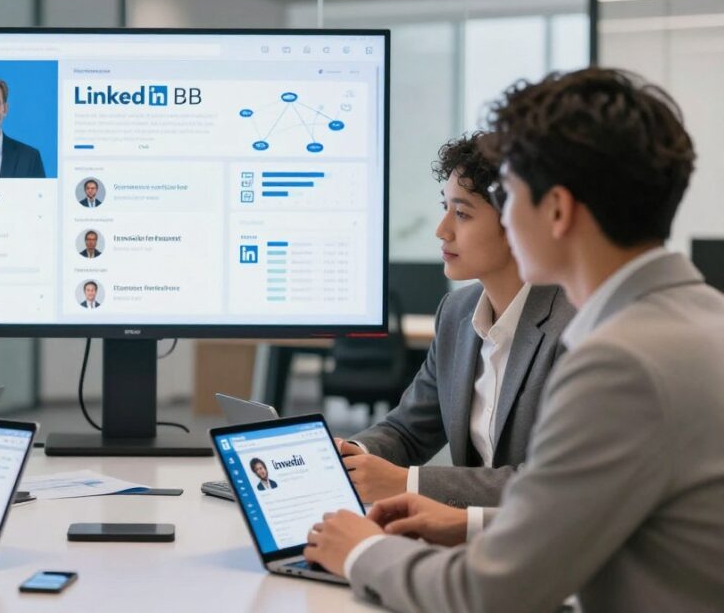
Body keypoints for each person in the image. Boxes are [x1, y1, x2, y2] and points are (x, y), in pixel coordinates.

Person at [305, 68, 724, 613]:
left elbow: (489, 593)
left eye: (510, 194)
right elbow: (608, 518)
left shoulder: (620, 361)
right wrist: (470, 524)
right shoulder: (700, 317)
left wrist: (362, 553)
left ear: (556, 209)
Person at [338, 134, 574, 506]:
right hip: (467, 538)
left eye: (461, 213)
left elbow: (550, 483)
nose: (442, 229)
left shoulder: (573, 327)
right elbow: (408, 431)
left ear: (518, 223)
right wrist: (353, 454)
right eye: (445, 208)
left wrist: (408, 483)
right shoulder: (457, 313)